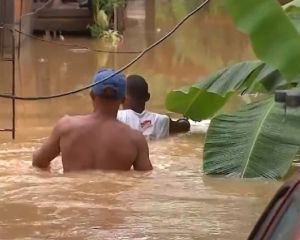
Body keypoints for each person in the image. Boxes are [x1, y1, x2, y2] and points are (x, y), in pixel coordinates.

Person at [32, 69, 152, 172]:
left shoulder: (66, 126)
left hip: (73, 198)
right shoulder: (135, 140)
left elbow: (39, 162)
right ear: (123, 100)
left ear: (92, 95)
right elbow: (145, 178)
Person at [117, 75, 190, 140]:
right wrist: (184, 119)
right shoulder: (162, 121)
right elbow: (185, 126)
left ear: (121, 99)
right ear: (147, 97)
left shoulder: (116, 118)